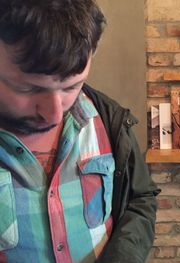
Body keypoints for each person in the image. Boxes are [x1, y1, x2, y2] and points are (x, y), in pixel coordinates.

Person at [0, 1, 159, 262]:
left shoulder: (109, 119)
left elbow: (138, 199)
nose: (55, 113)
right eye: (28, 89)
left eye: (71, 87)